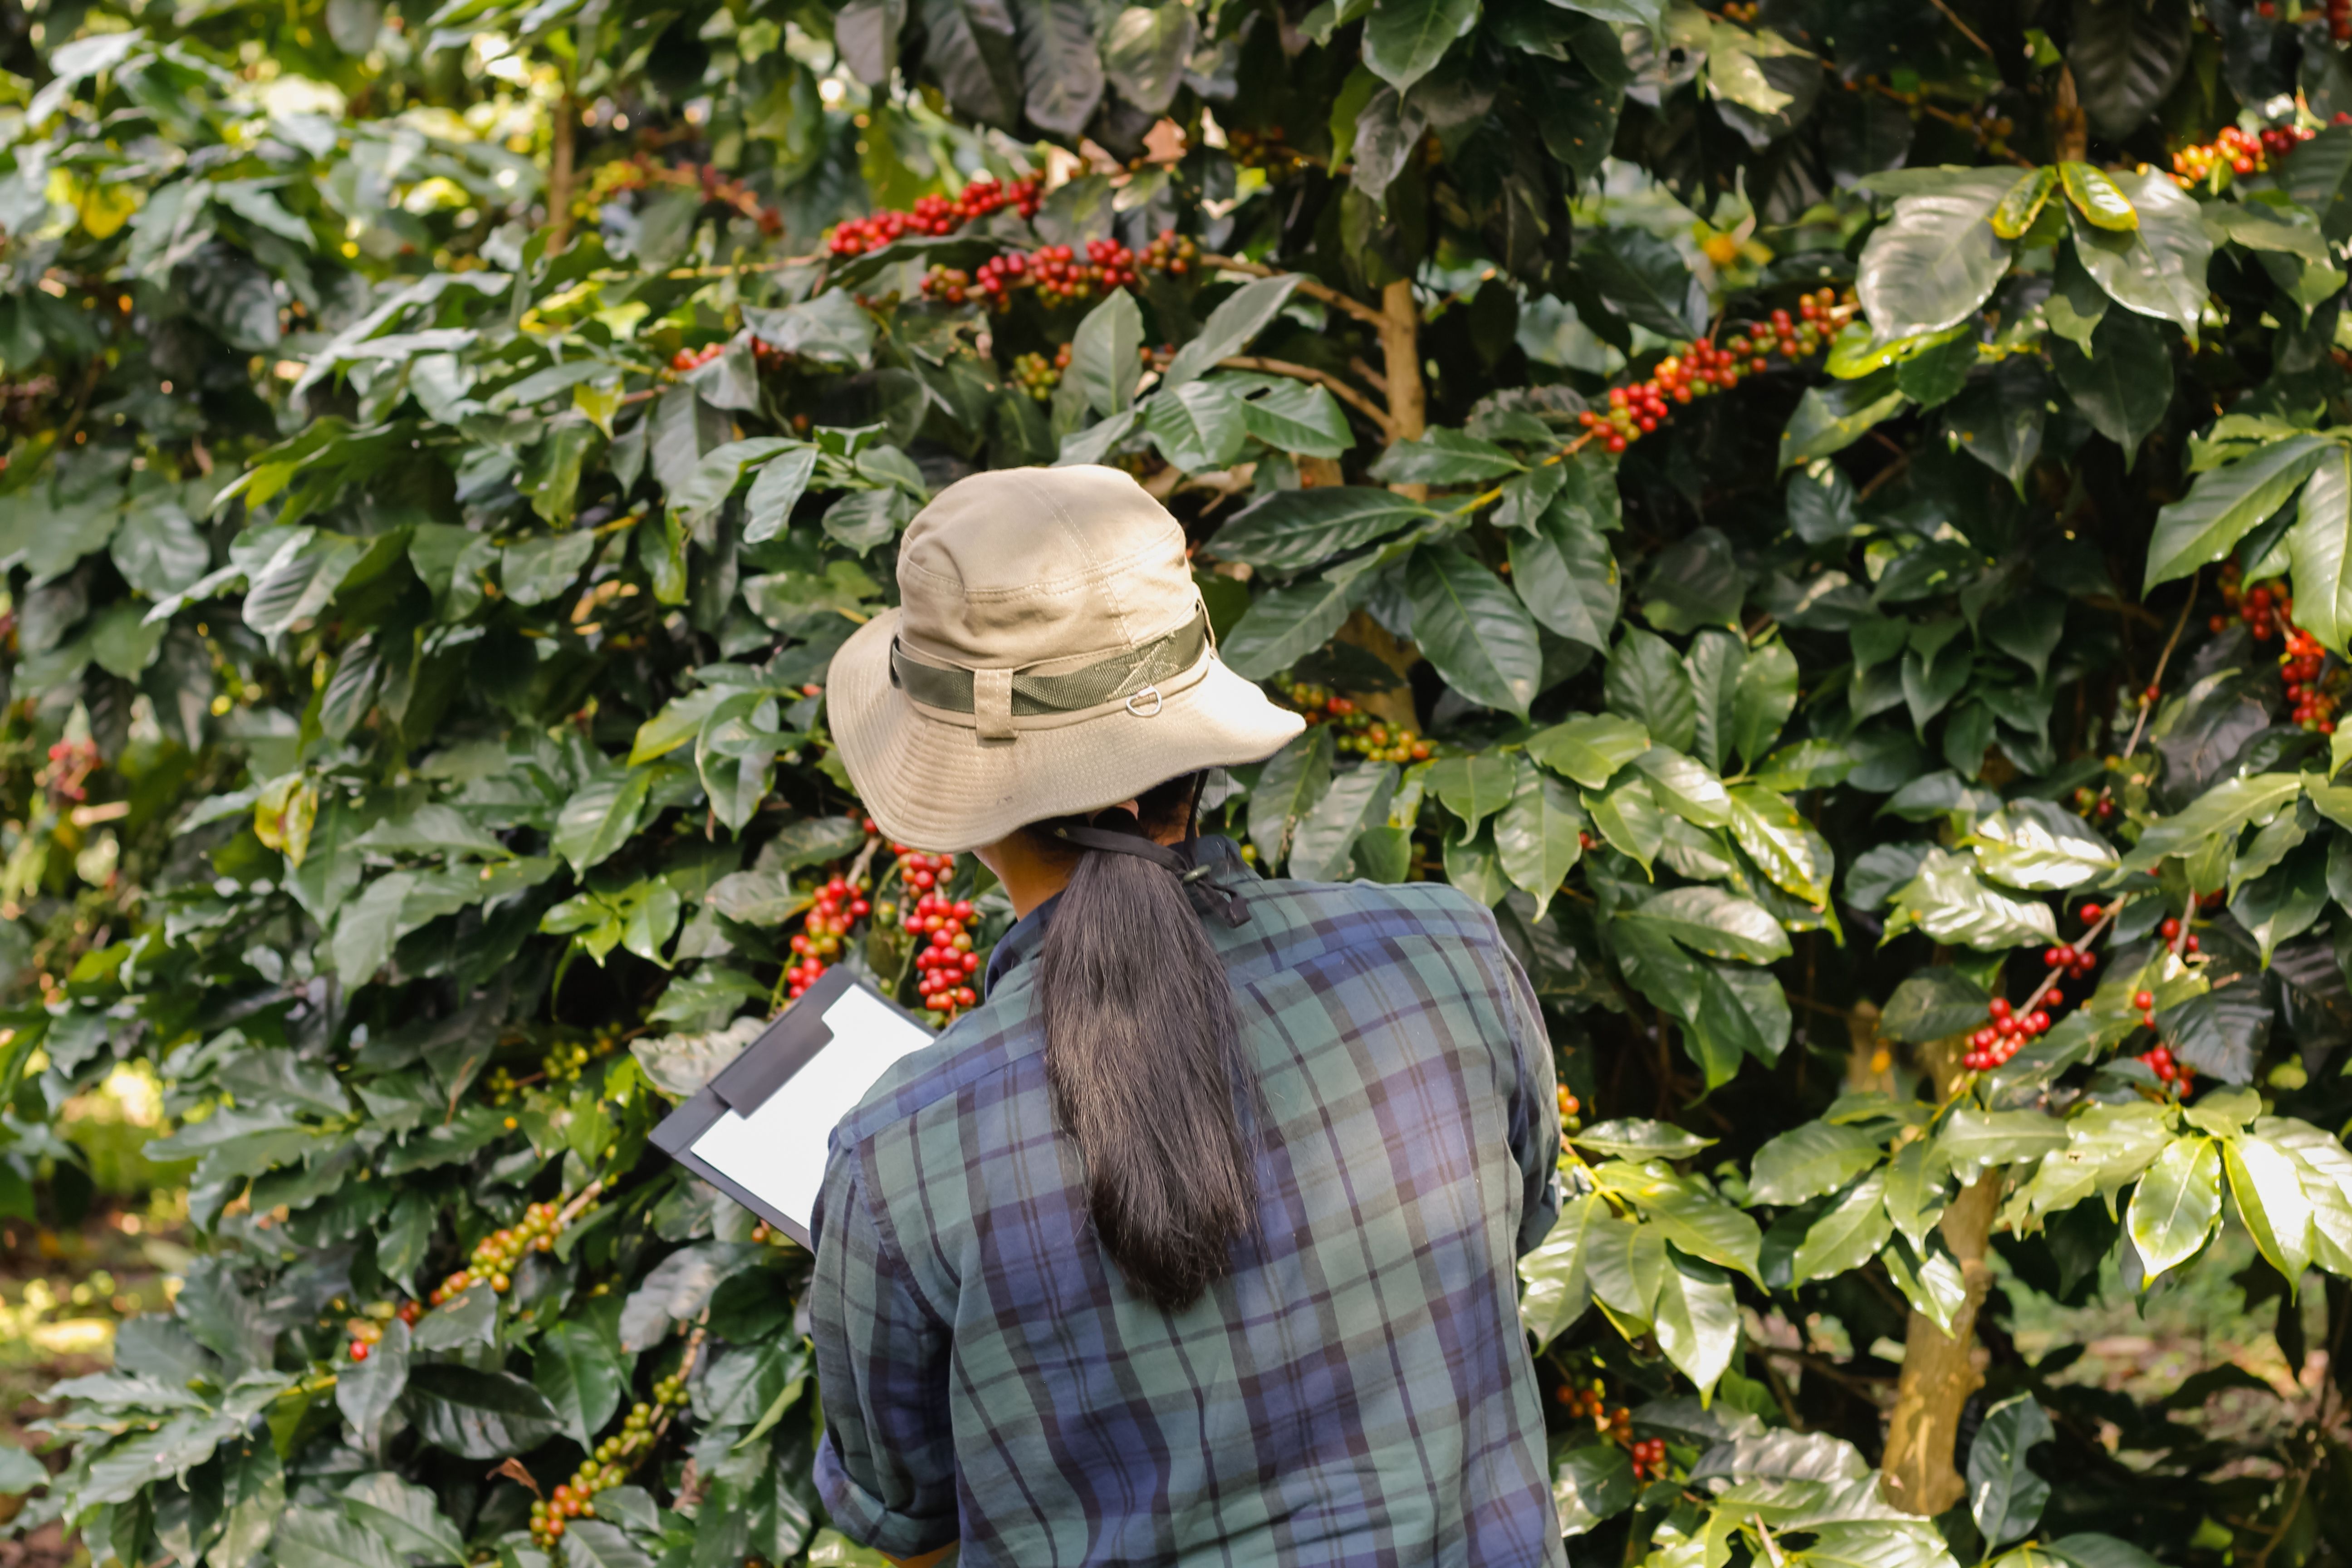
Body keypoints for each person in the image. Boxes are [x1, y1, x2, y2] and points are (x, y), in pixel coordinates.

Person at [812, 464, 1565, 1567]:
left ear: (972, 804)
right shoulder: (1451, 956)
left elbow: (909, 1527)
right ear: (1195, 743)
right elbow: (1517, 1237)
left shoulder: (898, 1155)